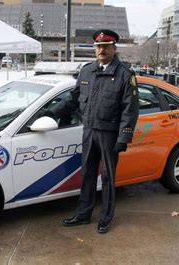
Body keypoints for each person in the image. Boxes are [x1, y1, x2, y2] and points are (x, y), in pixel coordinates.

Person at [49, 29, 139, 234]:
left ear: (114, 48)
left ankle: (106, 217)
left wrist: (123, 137)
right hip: (89, 131)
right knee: (87, 173)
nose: (102, 50)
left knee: (107, 177)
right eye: (98, 47)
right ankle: (83, 213)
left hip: (109, 135)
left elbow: (130, 109)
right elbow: (74, 97)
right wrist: (52, 112)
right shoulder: (87, 70)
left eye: (106, 46)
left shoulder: (124, 74)